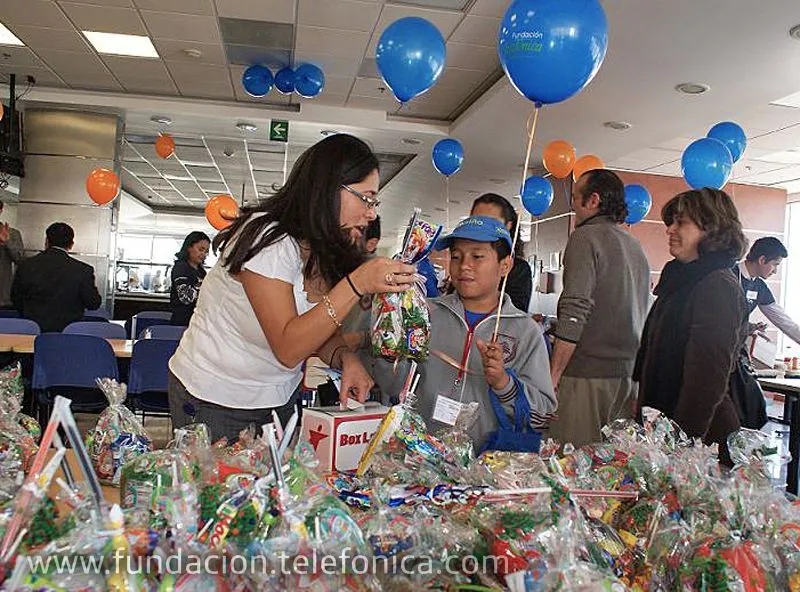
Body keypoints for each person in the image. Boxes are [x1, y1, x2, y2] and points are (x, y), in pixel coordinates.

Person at [167, 134, 416, 442]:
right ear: (328, 188)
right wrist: (358, 282)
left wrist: (344, 357)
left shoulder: (325, 245)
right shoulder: (266, 238)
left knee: (271, 487)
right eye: (366, 198)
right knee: (219, 488)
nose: (371, 213)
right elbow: (289, 347)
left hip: (277, 398)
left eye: (374, 202)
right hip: (215, 396)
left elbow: (316, 327)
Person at [374, 216, 556, 451]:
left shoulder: (525, 331)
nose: (464, 265)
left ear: (505, 265)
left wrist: (504, 383)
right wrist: (390, 352)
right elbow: (392, 386)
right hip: (423, 458)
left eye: (477, 256)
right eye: (457, 256)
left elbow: (543, 415)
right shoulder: (426, 314)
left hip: (488, 465)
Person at [634, 188, 748, 465]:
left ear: (711, 229)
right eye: (670, 222)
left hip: (699, 441)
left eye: (680, 222)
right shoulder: (680, 278)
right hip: (666, 428)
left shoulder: (716, 284)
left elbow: (706, 380)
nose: (670, 229)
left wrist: (680, 447)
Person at [547, 169, 650, 447]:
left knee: (570, 466)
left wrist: (554, 374)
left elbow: (574, 309)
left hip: (587, 375)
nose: (572, 205)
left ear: (593, 200)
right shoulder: (635, 245)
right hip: (626, 376)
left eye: (576, 197)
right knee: (610, 469)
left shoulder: (585, 238)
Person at [11, 222, 102, 332]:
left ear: (46, 241)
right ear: (71, 244)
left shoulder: (26, 265)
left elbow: (16, 299)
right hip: (69, 334)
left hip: (32, 331)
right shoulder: (83, 270)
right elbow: (93, 304)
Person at [470, 193, 533, 312]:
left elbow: (515, 315)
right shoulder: (464, 262)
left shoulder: (518, 270)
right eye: (476, 222)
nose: (482, 228)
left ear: (508, 226)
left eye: (491, 223)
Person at [736, 237, 800, 345]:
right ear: (762, 260)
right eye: (775, 264)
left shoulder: (759, 287)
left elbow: (783, 320)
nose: (775, 271)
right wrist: (749, 327)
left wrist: (751, 328)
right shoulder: (728, 276)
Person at [170, 231, 211, 326]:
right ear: (189, 247)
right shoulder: (180, 267)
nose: (204, 254)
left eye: (206, 252)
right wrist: (206, 284)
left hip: (197, 321)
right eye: (201, 249)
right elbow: (186, 298)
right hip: (182, 323)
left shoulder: (201, 271)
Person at [0, 200, 24, 308]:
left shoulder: (12, 233)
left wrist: (7, 242)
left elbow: (20, 260)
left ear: (1, 210)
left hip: (2, 297)